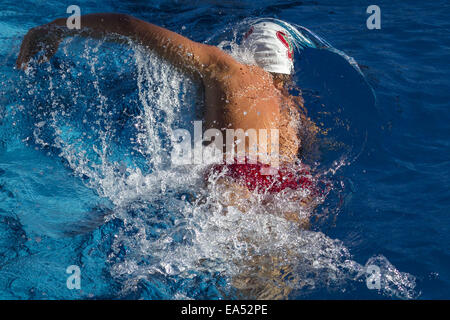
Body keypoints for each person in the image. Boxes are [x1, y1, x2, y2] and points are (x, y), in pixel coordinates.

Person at [16, 13, 318, 222]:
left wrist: (55, 28)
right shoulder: (293, 106)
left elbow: (129, 26)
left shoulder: (226, 67)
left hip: (236, 176)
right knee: (274, 280)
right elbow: (310, 152)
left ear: (246, 52)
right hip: (293, 185)